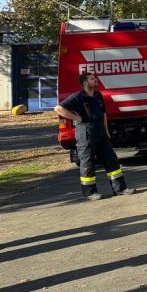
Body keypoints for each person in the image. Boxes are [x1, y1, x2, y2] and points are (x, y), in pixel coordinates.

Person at [55, 72, 136, 200]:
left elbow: (104, 114)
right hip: (85, 133)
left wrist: (106, 131)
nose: (95, 80)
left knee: (111, 159)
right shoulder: (78, 97)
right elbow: (58, 109)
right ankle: (90, 193)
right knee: (88, 162)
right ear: (85, 83)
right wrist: (76, 118)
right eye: (92, 79)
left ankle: (120, 189)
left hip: (101, 132)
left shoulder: (98, 95)